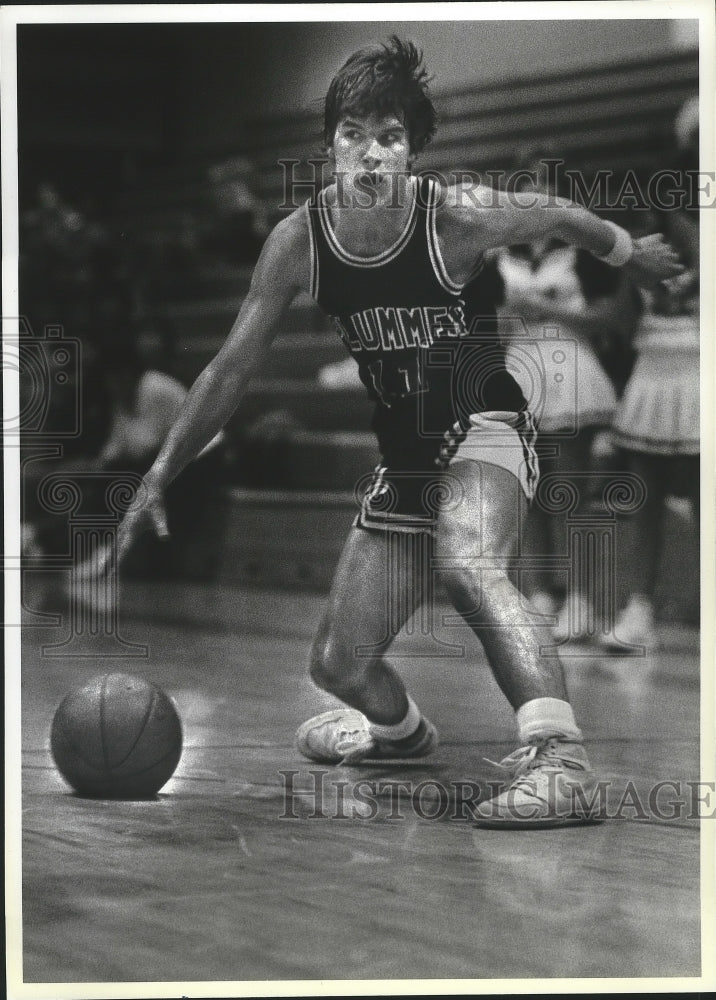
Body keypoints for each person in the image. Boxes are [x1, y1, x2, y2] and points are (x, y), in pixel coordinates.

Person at [108, 38, 682, 827]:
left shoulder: (458, 215)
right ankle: (400, 734)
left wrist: (628, 252)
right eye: (353, 133)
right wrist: (159, 472)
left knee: (468, 559)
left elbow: (561, 214)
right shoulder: (299, 242)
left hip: (485, 421)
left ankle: (562, 761)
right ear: (329, 145)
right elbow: (231, 370)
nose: (371, 152)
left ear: (414, 150)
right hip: (407, 453)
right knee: (338, 665)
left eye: (391, 135)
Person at [495, 157, 642, 640]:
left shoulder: (584, 249)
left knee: (573, 494)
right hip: (518, 368)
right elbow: (489, 322)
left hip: (570, 366)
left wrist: (543, 308)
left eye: (543, 191)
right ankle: (540, 594)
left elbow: (609, 319)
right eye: (526, 192)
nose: (534, 201)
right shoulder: (501, 253)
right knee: (529, 492)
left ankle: (580, 601)